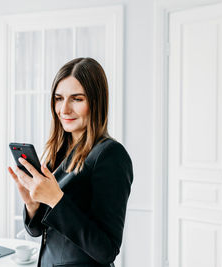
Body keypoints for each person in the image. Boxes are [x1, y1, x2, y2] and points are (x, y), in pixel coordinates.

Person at [7, 57, 133, 267]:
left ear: (96, 102)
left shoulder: (111, 155)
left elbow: (106, 250)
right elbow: (38, 231)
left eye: (77, 99)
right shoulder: (58, 153)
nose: (64, 109)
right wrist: (32, 203)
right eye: (58, 98)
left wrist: (56, 199)